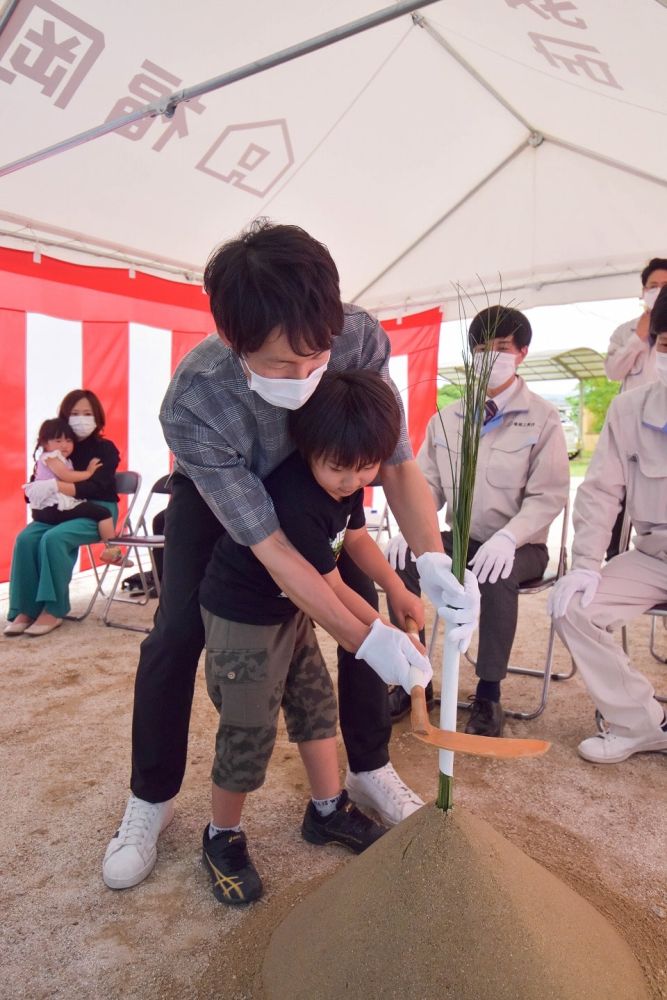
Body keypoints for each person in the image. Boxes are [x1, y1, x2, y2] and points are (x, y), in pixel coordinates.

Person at [103, 221, 479, 891]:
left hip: (320, 480)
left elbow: (390, 459)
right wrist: (368, 639)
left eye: (316, 357)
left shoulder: (358, 337)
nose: (305, 375)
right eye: (279, 364)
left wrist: (432, 561)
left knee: (362, 608)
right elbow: (272, 549)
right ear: (231, 338)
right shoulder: (194, 402)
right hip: (224, 490)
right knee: (178, 631)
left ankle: (367, 770)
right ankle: (150, 799)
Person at [198, 371, 431, 904]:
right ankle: (221, 835)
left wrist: (396, 587)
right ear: (308, 447)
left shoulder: (345, 480)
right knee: (249, 726)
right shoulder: (296, 497)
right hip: (246, 614)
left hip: (291, 610)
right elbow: (325, 588)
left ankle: (327, 809)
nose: (352, 481)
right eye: (339, 468)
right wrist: (380, 636)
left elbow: (353, 538)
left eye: (366, 468)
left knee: (315, 705)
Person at [384, 306, 570, 736]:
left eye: (502, 348)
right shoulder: (448, 419)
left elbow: (550, 494)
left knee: (494, 573)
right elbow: (425, 485)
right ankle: (416, 678)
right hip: (459, 539)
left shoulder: (541, 418)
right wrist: (409, 530)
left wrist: (509, 537)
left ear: (522, 352)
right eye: (482, 349)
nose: (492, 357)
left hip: (519, 546)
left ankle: (488, 694)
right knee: (398, 565)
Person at [548, 286, 667, 764]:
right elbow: (600, 492)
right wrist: (585, 565)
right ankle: (642, 723)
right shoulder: (629, 410)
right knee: (570, 604)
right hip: (654, 554)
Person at [4, 391, 120, 637]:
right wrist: (50, 488)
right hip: (57, 510)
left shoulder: (105, 448)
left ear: (97, 417)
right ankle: (25, 608)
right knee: (25, 539)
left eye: (87, 414)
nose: (81, 419)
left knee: (54, 538)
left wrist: (56, 486)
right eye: (75, 413)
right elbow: (33, 488)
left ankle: (54, 609)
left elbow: (96, 487)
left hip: (97, 511)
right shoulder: (58, 447)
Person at [603, 257, 667, 558]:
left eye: (665, 286)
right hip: (633, 430)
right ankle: (613, 558)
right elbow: (614, 371)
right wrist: (639, 337)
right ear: (643, 292)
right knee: (617, 495)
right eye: (653, 286)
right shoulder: (625, 331)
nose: (658, 291)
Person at [23, 417, 125, 565]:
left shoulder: (60, 459)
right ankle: (113, 553)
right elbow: (66, 476)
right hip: (54, 507)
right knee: (103, 513)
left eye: (68, 440)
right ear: (45, 443)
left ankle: (113, 552)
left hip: (50, 508)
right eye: (58, 441)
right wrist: (89, 473)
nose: (64, 445)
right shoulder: (52, 457)